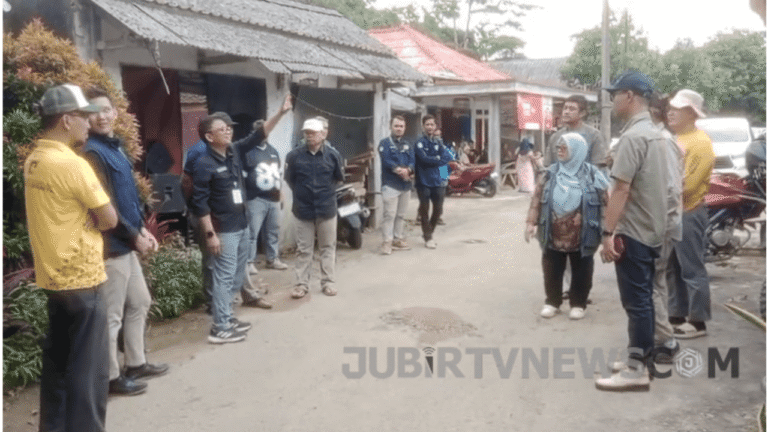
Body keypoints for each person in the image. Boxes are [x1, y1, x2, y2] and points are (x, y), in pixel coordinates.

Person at [25, 84, 117, 431]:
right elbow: (109, 219)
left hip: (54, 280)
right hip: (82, 280)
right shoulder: (72, 164)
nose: (89, 122)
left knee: (59, 370)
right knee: (89, 375)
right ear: (66, 120)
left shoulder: (34, 160)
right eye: (84, 116)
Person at [82, 87, 169, 396]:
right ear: (85, 117)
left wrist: (142, 230)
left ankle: (136, 363)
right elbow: (104, 206)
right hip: (111, 247)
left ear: (115, 112)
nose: (102, 116)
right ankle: (110, 378)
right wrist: (134, 236)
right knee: (112, 315)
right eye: (94, 111)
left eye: (106, 110)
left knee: (140, 301)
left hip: (127, 243)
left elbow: (129, 198)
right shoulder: (92, 153)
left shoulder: (115, 148)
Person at [595, 71, 671, 391]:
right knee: (645, 300)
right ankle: (641, 359)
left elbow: (621, 189)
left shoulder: (632, 137)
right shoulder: (657, 135)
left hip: (635, 230)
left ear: (629, 96)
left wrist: (607, 233)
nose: (612, 101)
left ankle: (636, 370)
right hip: (653, 228)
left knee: (637, 303)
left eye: (615, 95)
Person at [191, 104, 275, 343]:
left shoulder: (233, 152)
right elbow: (200, 203)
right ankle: (220, 328)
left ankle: (228, 317)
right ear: (209, 136)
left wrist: (280, 112)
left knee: (237, 277)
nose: (228, 131)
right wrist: (210, 234)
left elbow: (259, 134)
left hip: (241, 225)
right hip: (223, 230)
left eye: (229, 128)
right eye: (222, 129)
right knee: (224, 278)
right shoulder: (204, 163)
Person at [525, 133, 610, 320]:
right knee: (551, 267)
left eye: (565, 148)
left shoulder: (593, 174)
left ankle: (578, 303)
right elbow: (536, 199)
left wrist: (607, 233)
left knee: (582, 267)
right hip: (552, 229)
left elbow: (605, 204)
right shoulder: (549, 173)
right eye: (558, 147)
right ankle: (552, 302)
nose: (560, 151)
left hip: (583, 232)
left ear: (577, 150)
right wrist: (531, 222)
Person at [665, 89, 715, 339]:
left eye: (678, 109)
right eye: (671, 108)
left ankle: (698, 321)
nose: (671, 112)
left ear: (692, 114)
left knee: (692, 268)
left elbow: (689, 185)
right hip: (671, 212)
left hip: (689, 211)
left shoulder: (701, 142)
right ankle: (676, 314)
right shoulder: (673, 138)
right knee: (672, 267)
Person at [239, 96, 294, 309]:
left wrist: (281, 194)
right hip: (255, 198)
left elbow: (278, 173)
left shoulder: (272, 151)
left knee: (273, 230)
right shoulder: (247, 152)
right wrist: (245, 199)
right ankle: (250, 262)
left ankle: (273, 258)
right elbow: (242, 177)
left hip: (272, 197)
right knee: (252, 232)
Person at [285, 118, 345, 298]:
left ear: (322, 134)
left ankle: (328, 282)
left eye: (313, 133)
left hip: (326, 209)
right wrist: (303, 194)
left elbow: (338, 178)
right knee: (304, 249)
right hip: (303, 210)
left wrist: (324, 194)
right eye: (306, 133)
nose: (309, 136)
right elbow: (290, 179)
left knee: (327, 247)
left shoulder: (333, 155)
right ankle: (301, 284)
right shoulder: (294, 156)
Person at [648, 92, 684, 363]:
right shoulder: (661, 139)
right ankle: (661, 337)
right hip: (661, 224)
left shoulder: (662, 141)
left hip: (660, 226)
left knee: (650, 284)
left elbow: (671, 190)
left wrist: (661, 226)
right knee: (657, 283)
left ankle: (664, 339)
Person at [414, 115, 459, 249]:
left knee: (438, 210)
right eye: (427, 124)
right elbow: (423, 160)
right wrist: (437, 159)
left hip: (439, 179)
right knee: (424, 209)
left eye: (432, 125)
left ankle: (429, 232)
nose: (430, 127)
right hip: (423, 181)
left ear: (436, 127)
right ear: (423, 126)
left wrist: (444, 176)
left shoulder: (440, 143)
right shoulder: (419, 143)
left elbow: (446, 159)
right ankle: (428, 237)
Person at [378, 115, 414, 255]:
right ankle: (387, 242)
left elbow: (413, 160)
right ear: (390, 127)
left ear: (405, 128)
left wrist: (409, 170)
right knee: (389, 215)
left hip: (405, 185)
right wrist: (399, 170)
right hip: (390, 185)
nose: (399, 128)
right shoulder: (384, 143)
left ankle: (397, 239)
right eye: (396, 126)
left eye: (401, 126)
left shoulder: (408, 144)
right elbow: (386, 160)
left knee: (401, 215)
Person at [544, 95, 607, 169]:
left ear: (582, 113)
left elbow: (598, 167)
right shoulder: (555, 137)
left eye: (572, 109)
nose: (566, 112)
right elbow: (548, 166)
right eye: (565, 108)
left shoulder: (594, 135)